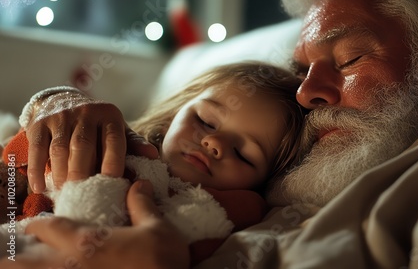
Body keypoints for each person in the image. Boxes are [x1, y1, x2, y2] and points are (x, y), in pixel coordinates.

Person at [3, 0, 418, 268]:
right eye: (303, 72)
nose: (307, 94)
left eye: (349, 60)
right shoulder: (318, 152)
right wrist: (58, 106)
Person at [0, 61, 306, 266]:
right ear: (172, 116)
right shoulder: (128, 143)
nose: (215, 144)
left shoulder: (216, 216)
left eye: (244, 155)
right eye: (205, 121)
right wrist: (59, 98)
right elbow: (27, 142)